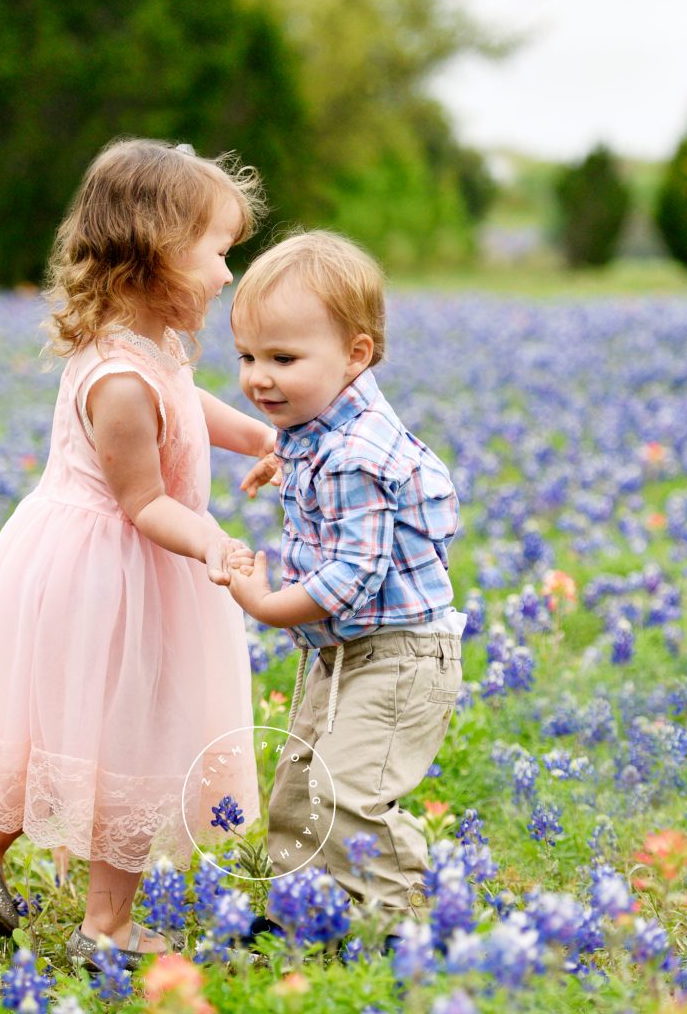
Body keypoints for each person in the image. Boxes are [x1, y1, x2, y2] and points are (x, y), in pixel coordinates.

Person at [0, 138, 274, 967]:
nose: (229, 275)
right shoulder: (118, 381)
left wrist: (264, 435)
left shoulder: (145, 349)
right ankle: (106, 930)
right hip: (117, 572)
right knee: (133, 743)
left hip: (80, 562)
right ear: (152, 253)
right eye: (218, 253)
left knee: (58, 731)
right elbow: (146, 502)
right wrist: (215, 546)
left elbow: (187, 406)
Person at [226, 230, 464, 924]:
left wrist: (267, 605)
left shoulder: (357, 454)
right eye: (246, 356)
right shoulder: (323, 421)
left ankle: (396, 920)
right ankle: (305, 908)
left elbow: (352, 574)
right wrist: (283, 460)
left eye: (282, 357)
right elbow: (319, 449)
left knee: (350, 795)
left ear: (356, 355)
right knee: (298, 792)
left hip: (398, 656)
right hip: (339, 650)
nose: (258, 377)